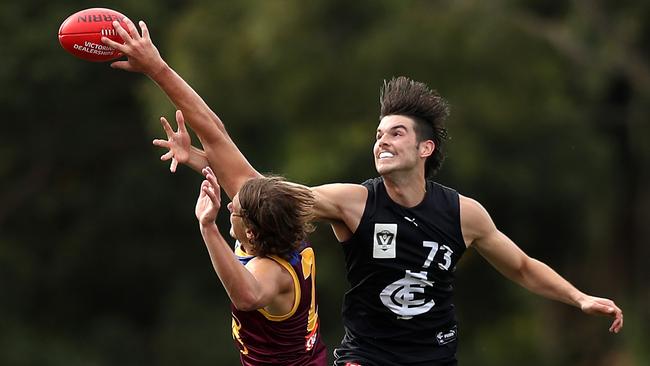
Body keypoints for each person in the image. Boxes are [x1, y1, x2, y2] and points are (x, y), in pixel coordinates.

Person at [103, 19, 624, 366]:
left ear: (426, 149)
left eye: (396, 132)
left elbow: (523, 266)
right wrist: (158, 71)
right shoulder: (352, 202)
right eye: (378, 132)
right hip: (364, 360)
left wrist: (578, 297)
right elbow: (250, 182)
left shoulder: (464, 214)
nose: (382, 138)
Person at [194, 167, 327, 365]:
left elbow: (247, 297)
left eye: (235, 211)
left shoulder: (271, 270)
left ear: (251, 233)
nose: (229, 206)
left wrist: (208, 227)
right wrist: (192, 157)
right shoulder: (280, 224)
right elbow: (236, 174)